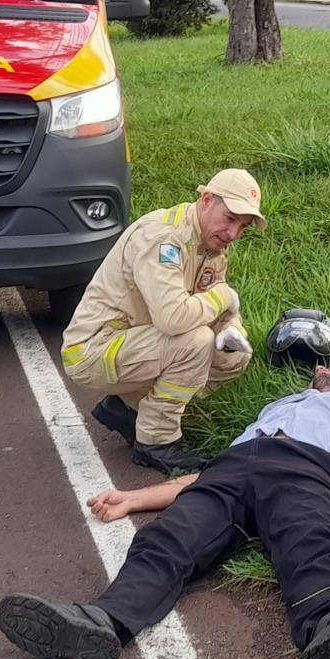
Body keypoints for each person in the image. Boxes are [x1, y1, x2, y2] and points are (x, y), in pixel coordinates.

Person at [0, 365, 330, 659]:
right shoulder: (282, 403)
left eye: (325, 363)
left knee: (311, 537)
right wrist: (134, 498)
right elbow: (201, 477)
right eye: (315, 367)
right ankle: (104, 620)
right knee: (168, 537)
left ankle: (328, 627)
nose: (319, 369)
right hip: (232, 467)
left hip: (304, 468)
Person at [62, 171, 262, 474]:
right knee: (195, 342)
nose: (233, 233)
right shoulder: (162, 238)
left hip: (136, 341)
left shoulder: (211, 244)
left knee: (234, 354)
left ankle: (129, 409)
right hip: (93, 350)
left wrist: (232, 328)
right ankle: (157, 441)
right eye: (230, 218)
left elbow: (217, 307)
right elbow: (174, 318)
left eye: (243, 227)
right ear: (206, 200)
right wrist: (224, 296)